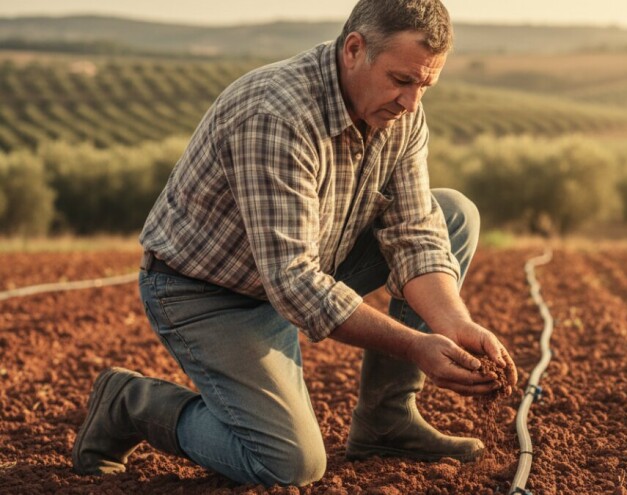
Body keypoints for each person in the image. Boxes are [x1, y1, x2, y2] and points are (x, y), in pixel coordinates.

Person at [72, 0, 517, 487]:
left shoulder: (402, 114)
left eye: (425, 84)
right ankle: (129, 405)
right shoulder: (277, 113)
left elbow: (413, 230)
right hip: (208, 293)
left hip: (307, 262)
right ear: (354, 49)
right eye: (401, 80)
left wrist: (453, 324)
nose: (412, 101)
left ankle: (386, 421)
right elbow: (294, 282)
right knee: (288, 465)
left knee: (451, 213)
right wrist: (416, 345)